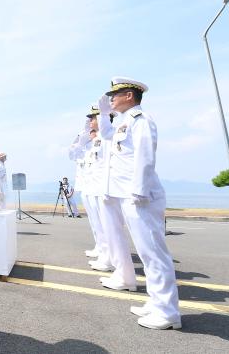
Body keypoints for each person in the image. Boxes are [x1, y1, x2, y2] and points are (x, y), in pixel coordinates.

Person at [97, 77, 181, 330]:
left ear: (130, 96)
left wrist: (139, 193)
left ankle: (167, 313)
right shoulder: (123, 123)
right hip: (128, 196)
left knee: (154, 254)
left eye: (115, 94)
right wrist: (103, 114)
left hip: (140, 198)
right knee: (146, 255)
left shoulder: (141, 121)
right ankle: (157, 303)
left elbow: (145, 158)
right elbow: (106, 135)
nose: (111, 99)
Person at [82, 108, 113, 272]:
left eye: (93, 119)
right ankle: (104, 254)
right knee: (99, 225)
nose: (90, 123)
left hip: (102, 188)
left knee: (106, 226)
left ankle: (108, 258)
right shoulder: (98, 141)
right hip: (94, 188)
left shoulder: (106, 139)